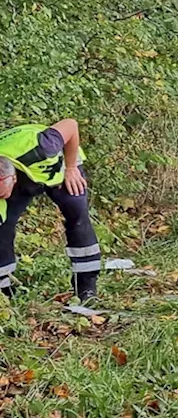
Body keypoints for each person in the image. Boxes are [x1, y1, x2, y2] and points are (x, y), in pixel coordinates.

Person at [0, 119, 101, 301]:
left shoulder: (44, 144)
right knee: (3, 225)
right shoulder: (6, 181)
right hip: (18, 170)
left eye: (1, 193)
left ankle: (86, 287)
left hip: (60, 164)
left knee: (76, 213)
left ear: (12, 179)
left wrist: (70, 168)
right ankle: (4, 291)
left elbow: (71, 125)